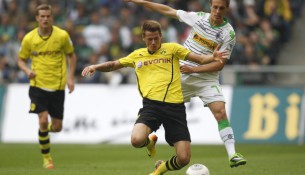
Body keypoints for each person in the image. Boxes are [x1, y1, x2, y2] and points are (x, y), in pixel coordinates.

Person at [82, 20, 227, 175]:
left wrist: (213, 56)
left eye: (156, 38)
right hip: (151, 107)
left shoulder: (172, 49)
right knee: (136, 141)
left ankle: (160, 170)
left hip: (175, 108)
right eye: (149, 39)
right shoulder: (137, 55)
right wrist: (95, 67)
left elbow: (199, 59)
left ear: (161, 36)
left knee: (184, 158)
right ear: (143, 38)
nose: (153, 42)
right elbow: (113, 65)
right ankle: (149, 143)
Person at [124, 0, 247, 168]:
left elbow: (219, 64)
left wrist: (194, 70)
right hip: (182, 74)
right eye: (215, 7)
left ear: (227, 9)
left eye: (222, 8)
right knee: (160, 101)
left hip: (206, 78)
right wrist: (141, 1)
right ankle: (147, 137)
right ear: (210, 6)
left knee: (220, 112)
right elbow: (167, 10)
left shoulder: (229, 34)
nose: (217, 11)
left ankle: (232, 154)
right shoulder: (198, 18)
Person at [17, 4, 77, 169]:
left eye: (48, 16)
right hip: (38, 86)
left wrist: (70, 78)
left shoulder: (62, 36)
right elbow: (20, 59)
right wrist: (27, 70)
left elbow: (72, 56)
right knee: (43, 120)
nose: (45, 19)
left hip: (57, 86)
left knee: (56, 128)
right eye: (42, 16)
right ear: (37, 18)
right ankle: (47, 158)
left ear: (52, 17)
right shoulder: (29, 38)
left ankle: (44, 131)